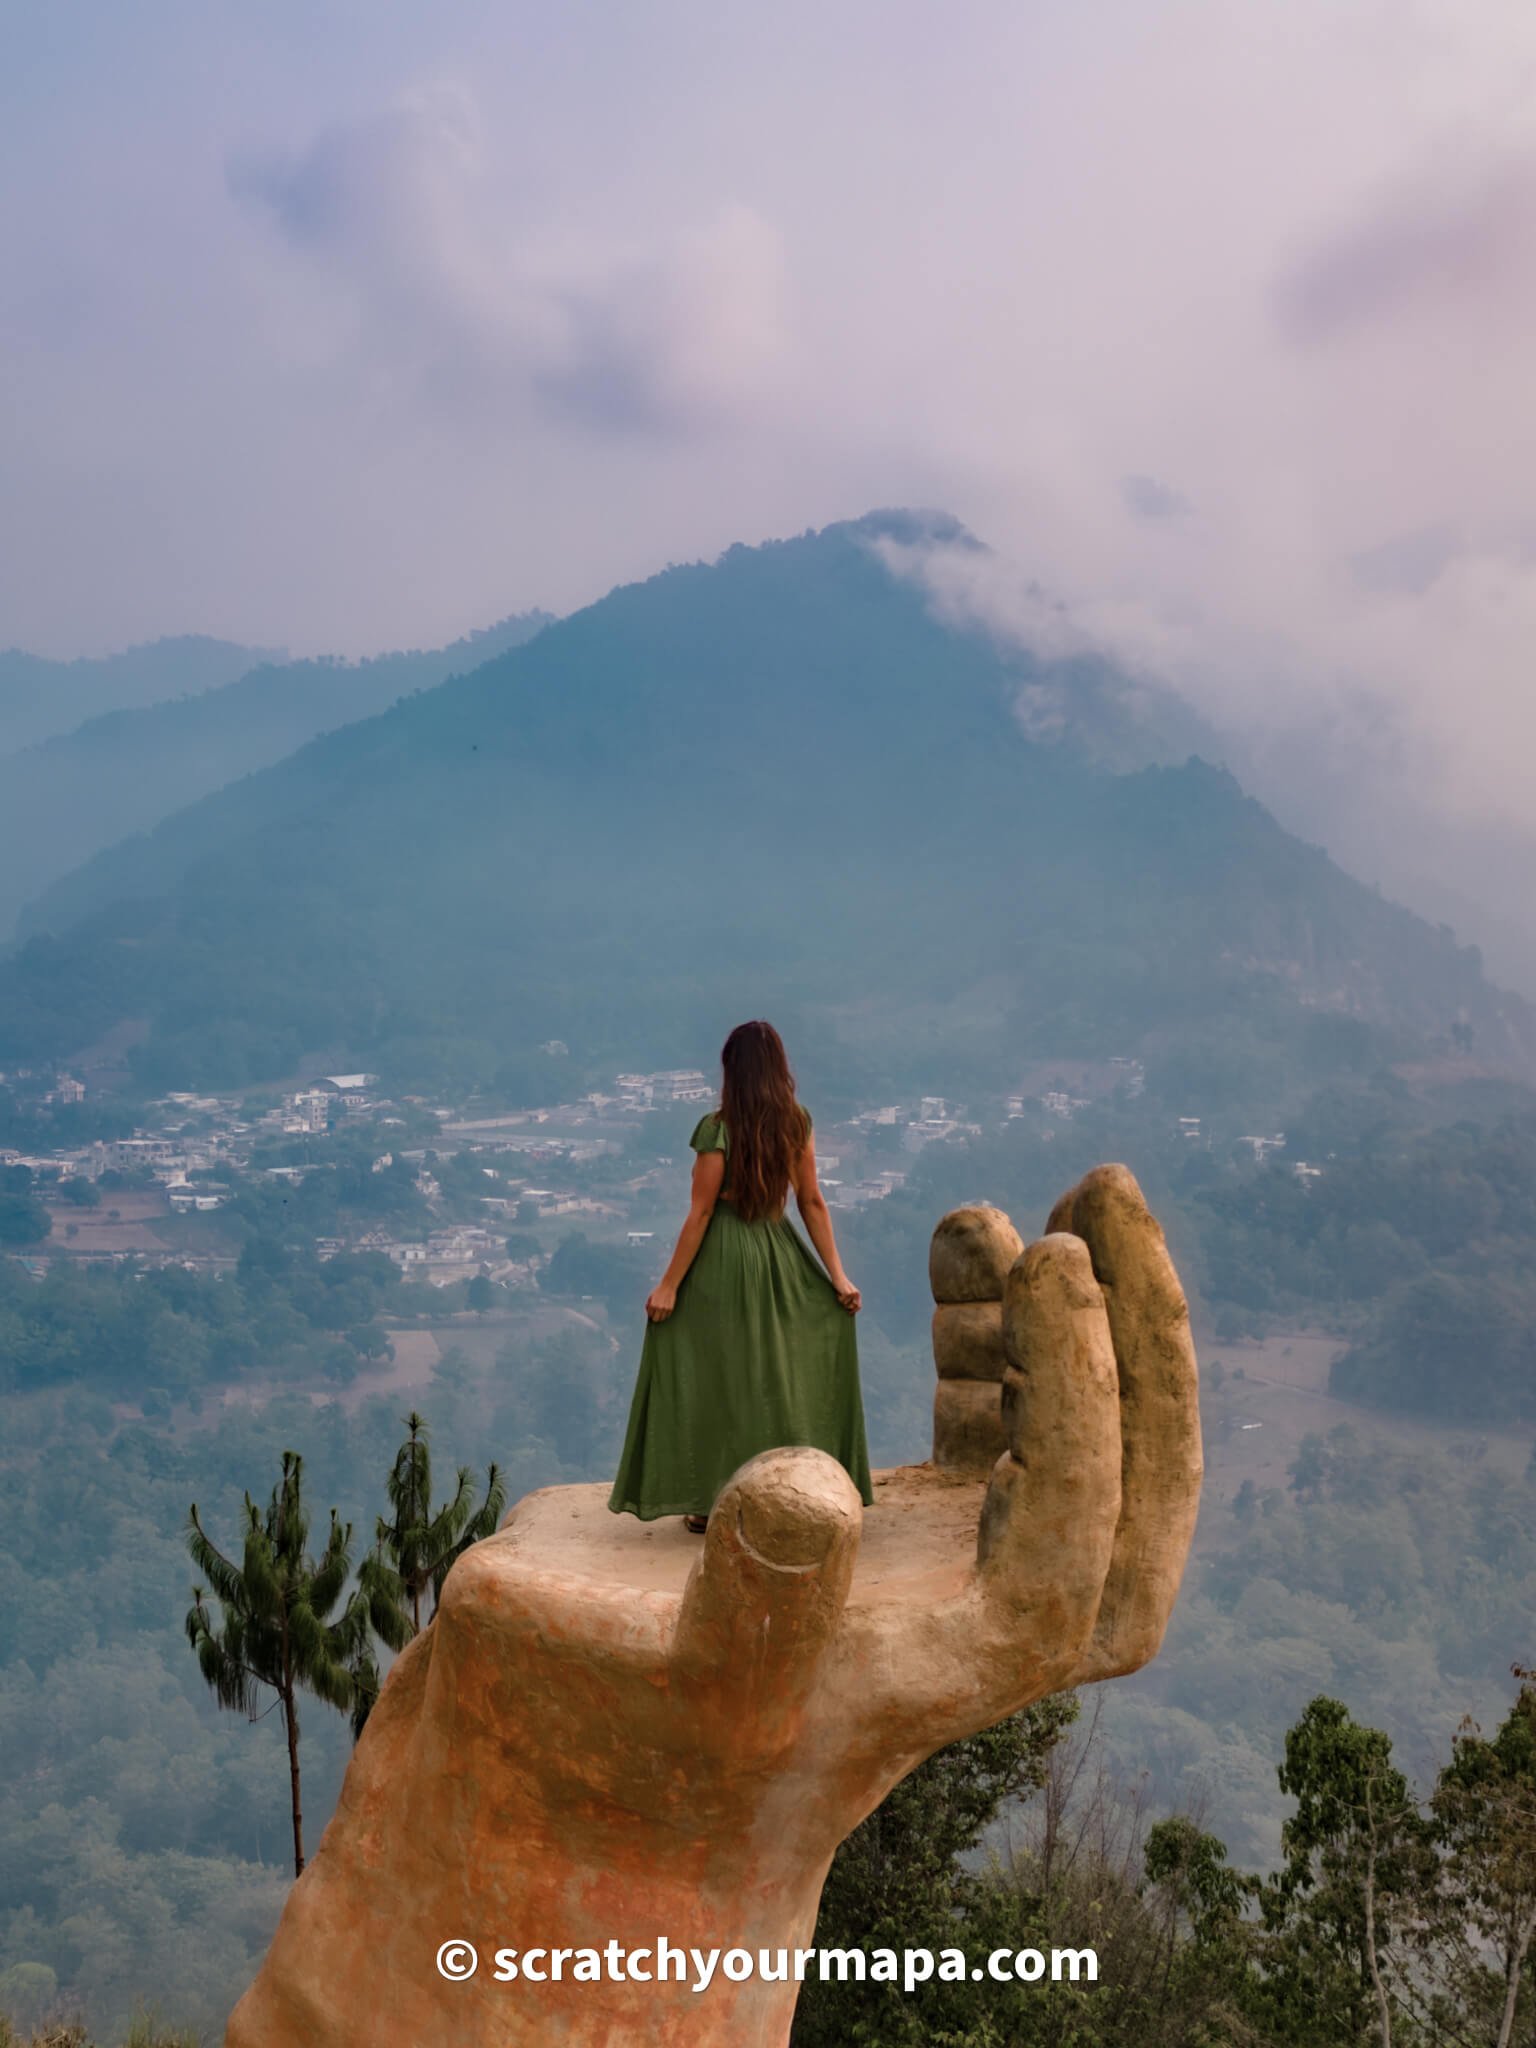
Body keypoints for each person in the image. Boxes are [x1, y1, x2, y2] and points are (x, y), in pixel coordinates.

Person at [608, 1019, 874, 1530]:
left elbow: (702, 1213)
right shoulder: (797, 1123)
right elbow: (812, 1202)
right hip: (778, 1251)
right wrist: (837, 1276)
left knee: (718, 1374)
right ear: (779, 1070)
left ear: (732, 1071)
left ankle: (713, 1502)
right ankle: (791, 1493)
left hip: (723, 1257)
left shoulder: (717, 1128)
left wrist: (668, 1285)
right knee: (773, 1371)